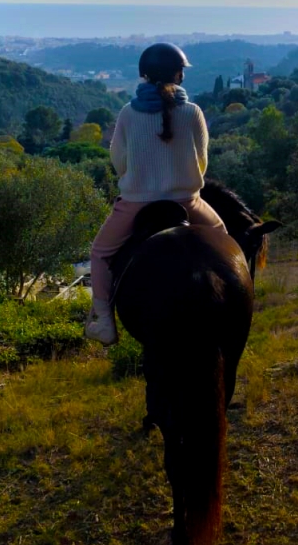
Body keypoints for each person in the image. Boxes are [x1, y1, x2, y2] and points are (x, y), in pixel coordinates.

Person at [84, 42, 226, 346]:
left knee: (100, 253)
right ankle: (229, 308)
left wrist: (138, 180)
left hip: (136, 204)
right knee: (223, 238)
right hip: (186, 202)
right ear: (177, 74)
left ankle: (105, 322)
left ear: (145, 74)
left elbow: (118, 161)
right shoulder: (193, 112)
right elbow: (202, 160)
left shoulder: (128, 113)